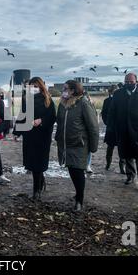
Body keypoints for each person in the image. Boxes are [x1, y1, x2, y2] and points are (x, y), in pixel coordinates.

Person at [55, 80, 99, 211]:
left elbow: (93, 126)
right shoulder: (63, 104)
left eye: (65, 88)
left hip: (79, 144)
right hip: (65, 144)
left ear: (73, 90)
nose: (63, 90)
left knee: (78, 171)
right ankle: (77, 194)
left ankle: (79, 200)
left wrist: (93, 147)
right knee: (71, 170)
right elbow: (59, 121)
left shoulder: (83, 103)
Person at [13, 77, 56, 201]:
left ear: (41, 87)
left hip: (42, 136)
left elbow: (52, 117)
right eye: (31, 86)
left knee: (38, 164)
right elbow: (22, 116)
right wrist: (17, 132)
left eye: (36, 86)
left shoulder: (48, 100)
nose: (33, 89)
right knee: (32, 164)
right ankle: (41, 181)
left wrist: (41, 120)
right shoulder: (27, 100)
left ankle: (36, 191)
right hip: (29, 135)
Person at [108, 73, 138, 190]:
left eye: (131, 82)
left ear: (136, 81)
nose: (129, 84)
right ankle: (130, 176)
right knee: (127, 156)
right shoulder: (118, 94)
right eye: (127, 82)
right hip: (123, 130)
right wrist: (111, 126)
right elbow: (112, 111)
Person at [101, 85, 126, 174]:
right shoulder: (107, 101)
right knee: (110, 147)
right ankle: (108, 164)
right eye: (114, 91)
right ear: (110, 92)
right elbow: (103, 113)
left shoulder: (123, 100)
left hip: (121, 128)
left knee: (122, 148)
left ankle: (122, 167)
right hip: (111, 128)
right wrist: (107, 123)